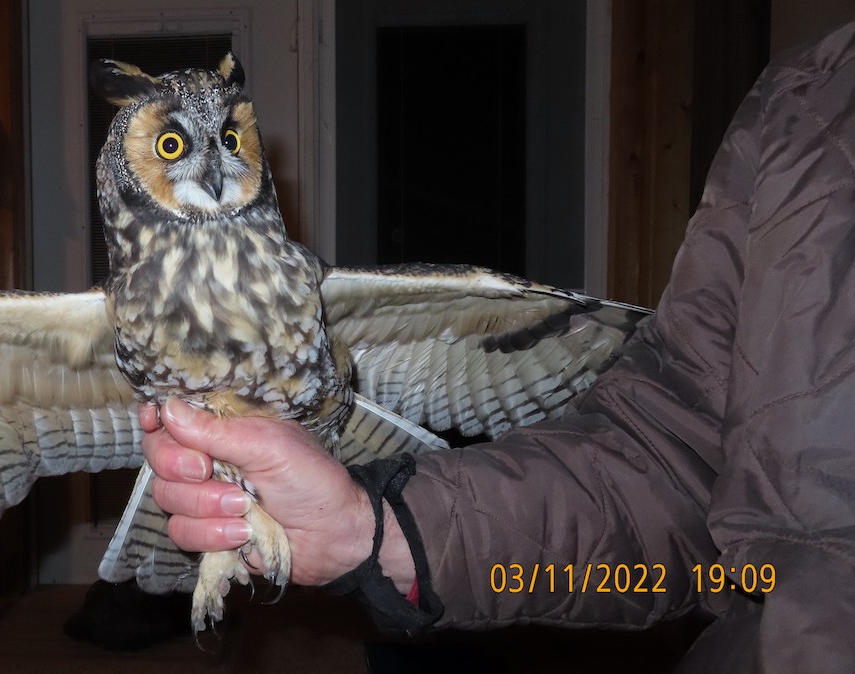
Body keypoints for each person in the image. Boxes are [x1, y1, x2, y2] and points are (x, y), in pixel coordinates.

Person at [140, 21, 855, 673]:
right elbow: (676, 461)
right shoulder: (809, 104)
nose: (207, 165)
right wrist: (373, 529)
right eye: (173, 145)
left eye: (226, 140)